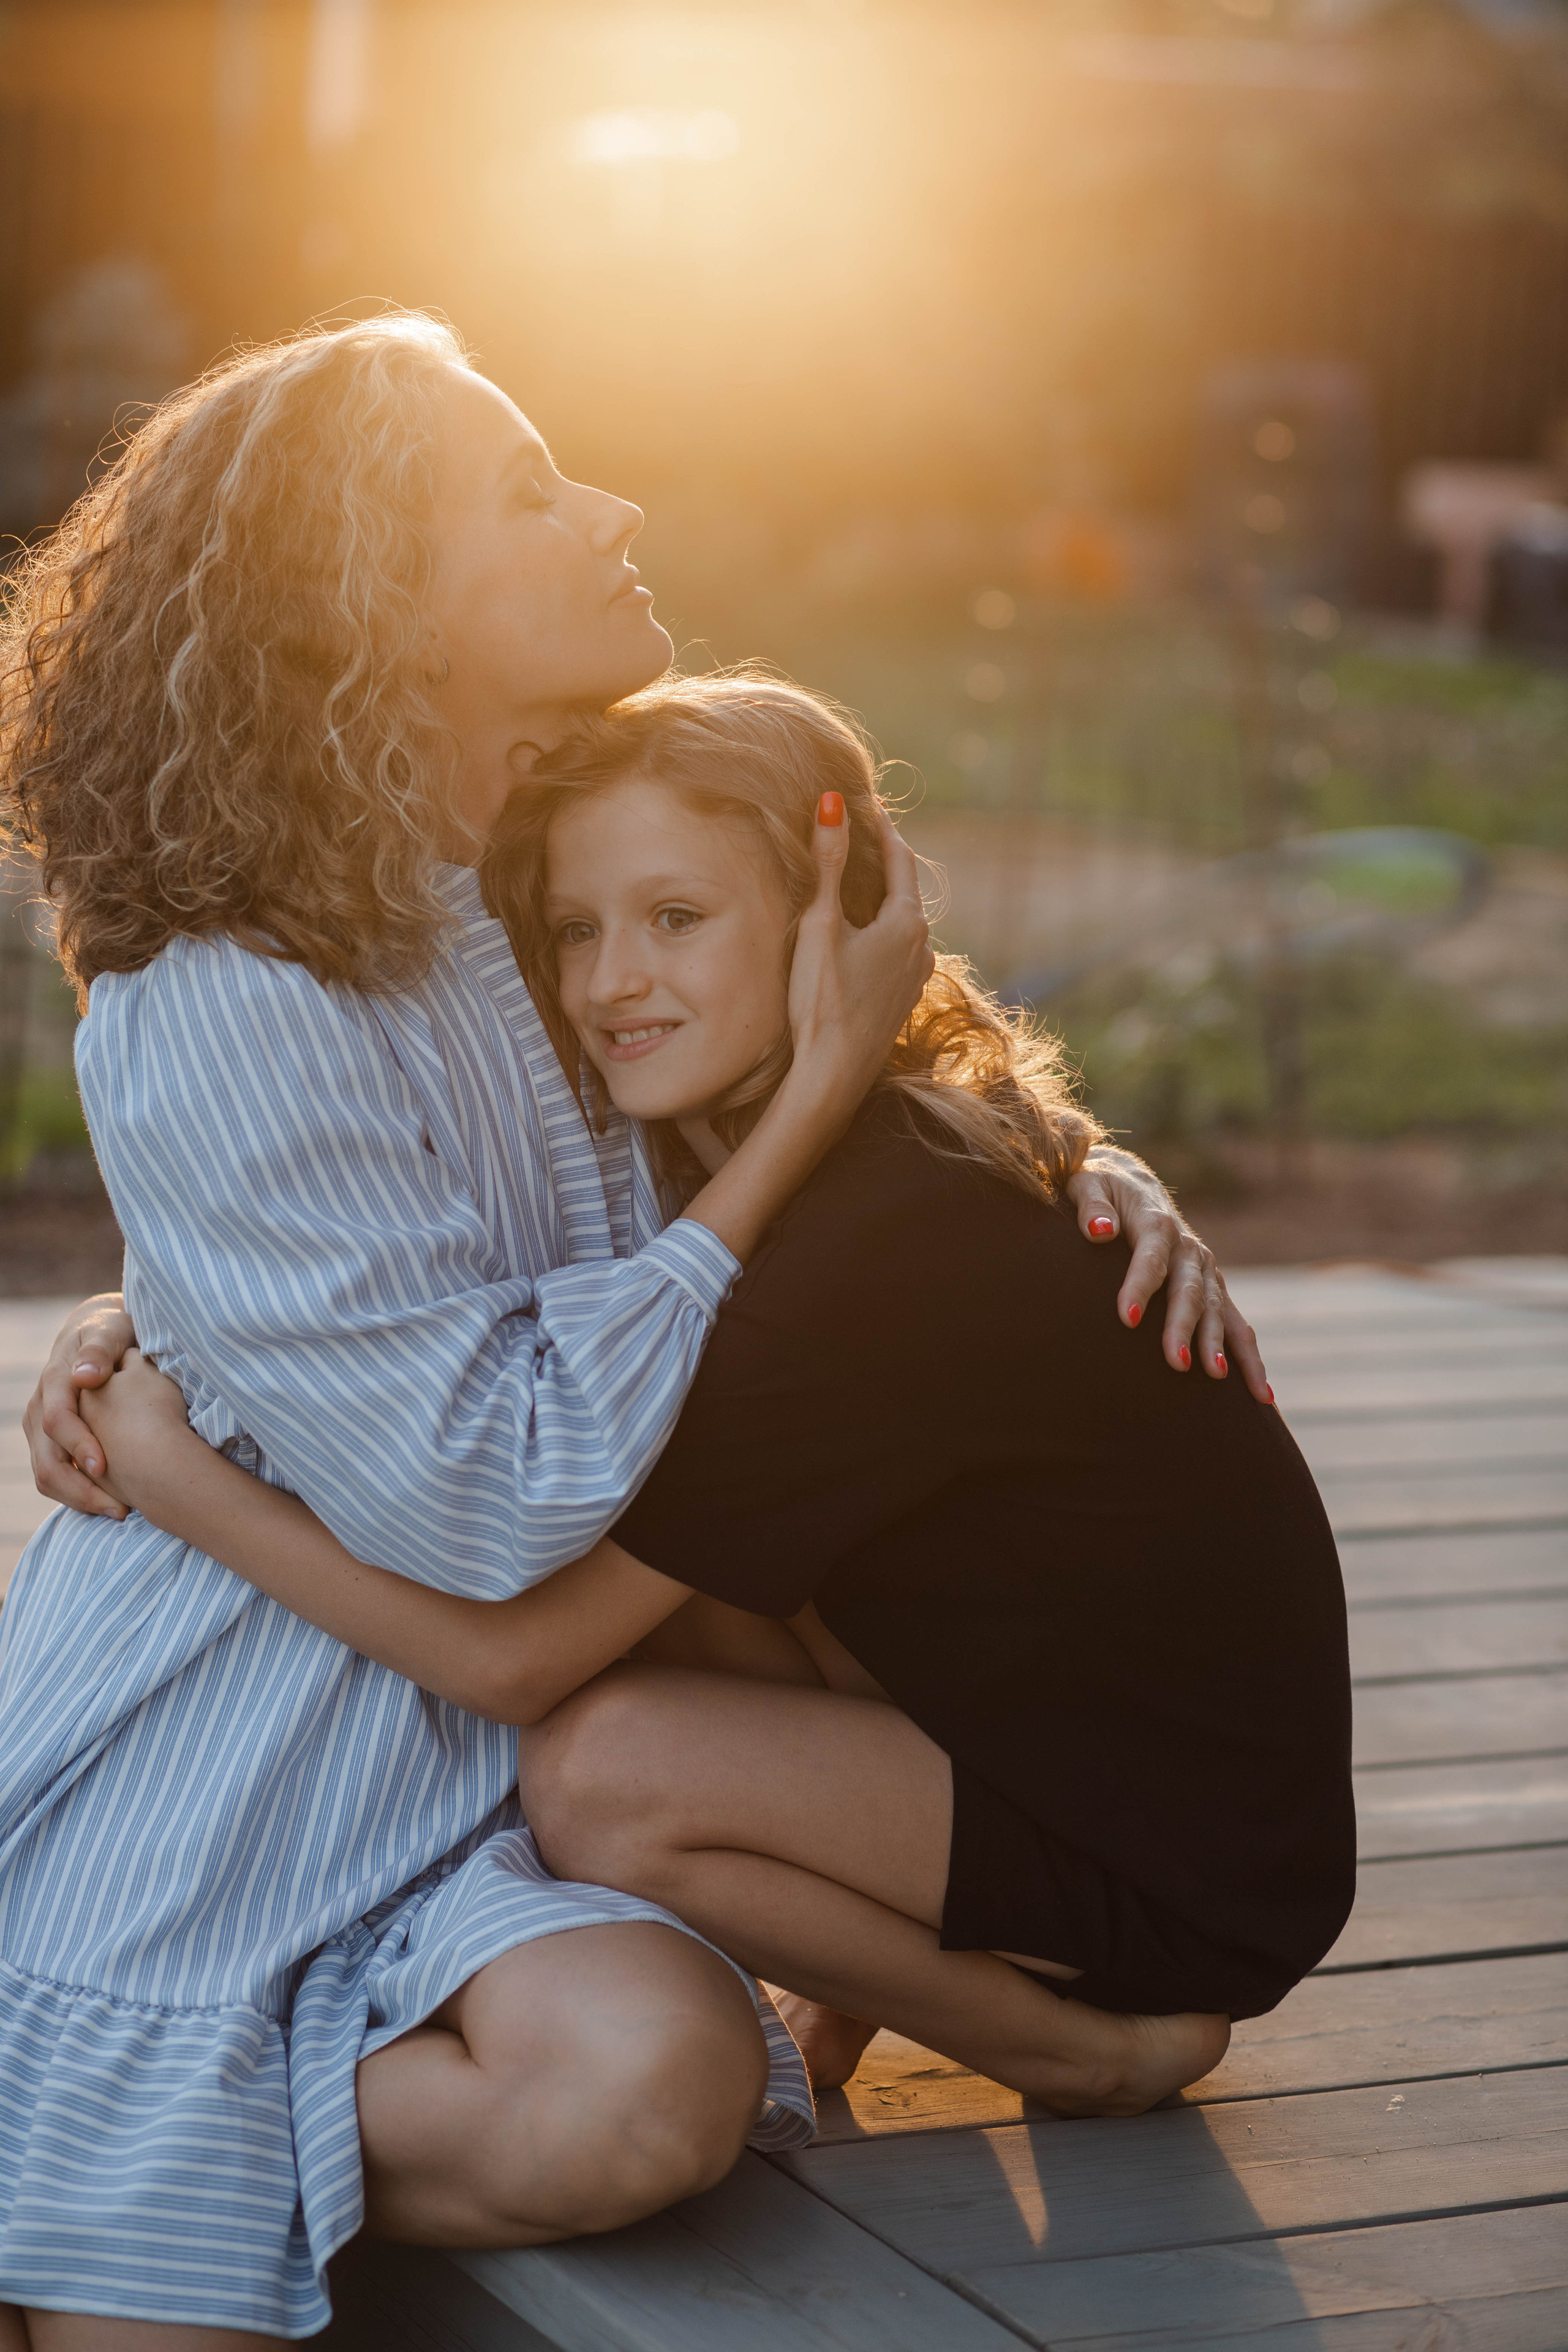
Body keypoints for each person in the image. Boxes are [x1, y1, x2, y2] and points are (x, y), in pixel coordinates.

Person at [5, 312, 1257, 2348]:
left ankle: (179, 2119)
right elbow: (486, 1500)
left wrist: (1081, 1173)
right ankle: (126, 2090)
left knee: (650, 2089)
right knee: (172, 2209)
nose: (613, 509)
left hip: (517, 1758)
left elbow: (838, 1074)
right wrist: (184, 1348)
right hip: (248, 1742)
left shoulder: (553, 884)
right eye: (526, 492)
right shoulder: (223, 987)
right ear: (369, 597)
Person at [67, 673, 1353, 2133]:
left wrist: (168, 1469)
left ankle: (1073, 2050)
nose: (611, 981)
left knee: (603, 1779)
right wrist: (150, 1317)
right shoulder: (815, 1168)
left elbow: (512, 1666)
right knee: (653, 1551)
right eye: (575, 930)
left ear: (834, 919)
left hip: (1182, 1867)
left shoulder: (887, 1233)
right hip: (1073, 1763)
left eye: (675, 918)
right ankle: (868, 1990)